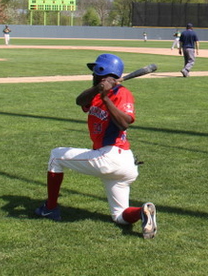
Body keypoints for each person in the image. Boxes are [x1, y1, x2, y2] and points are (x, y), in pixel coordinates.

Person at [34, 53, 157, 239]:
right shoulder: (95, 94)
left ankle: (50, 208)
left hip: (112, 156)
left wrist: (106, 98)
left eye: (94, 72)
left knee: (56, 156)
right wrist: (99, 89)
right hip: (119, 163)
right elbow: (79, 101)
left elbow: (124, 123)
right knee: (119, 216)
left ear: (101, 72)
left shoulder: (122, 93)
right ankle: (143, 212)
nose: (92, 75)